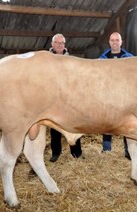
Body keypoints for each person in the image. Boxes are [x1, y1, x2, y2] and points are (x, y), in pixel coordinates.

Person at [99, 32, 134, 160]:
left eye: (117, 40)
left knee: (126, 123)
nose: (114, 42)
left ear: (121, 42)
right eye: (112, 40)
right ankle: (106, 149)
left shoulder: (129, 58)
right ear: (109, 42)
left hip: (125, 96)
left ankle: (128, 150)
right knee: (107, 122)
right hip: (108, 96)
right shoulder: (101, 59)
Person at [48, 33, 82, 162]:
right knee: (55, 126)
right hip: (53, 98)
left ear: (65, 45)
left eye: (62, 43)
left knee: (74, 124)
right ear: (52, 44)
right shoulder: (47, 59)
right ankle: (56, 153)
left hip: (69, 97)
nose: (59, 45)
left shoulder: (71, 59)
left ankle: (76, 152)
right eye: (57, 43)